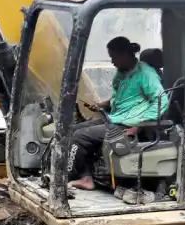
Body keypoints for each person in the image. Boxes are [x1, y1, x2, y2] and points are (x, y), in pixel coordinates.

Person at [67, 36, 166, 190]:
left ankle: (67, 177)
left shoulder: (146, 74)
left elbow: (161, 102)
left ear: (126, 54)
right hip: (115, 119)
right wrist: (100, 105)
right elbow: (119, 98)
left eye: (114, 57)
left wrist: (139, 126)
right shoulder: (122, 73)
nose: (112, 61)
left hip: (127, 125)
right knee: (73, 129)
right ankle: (86, 177)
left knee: (80, 137)